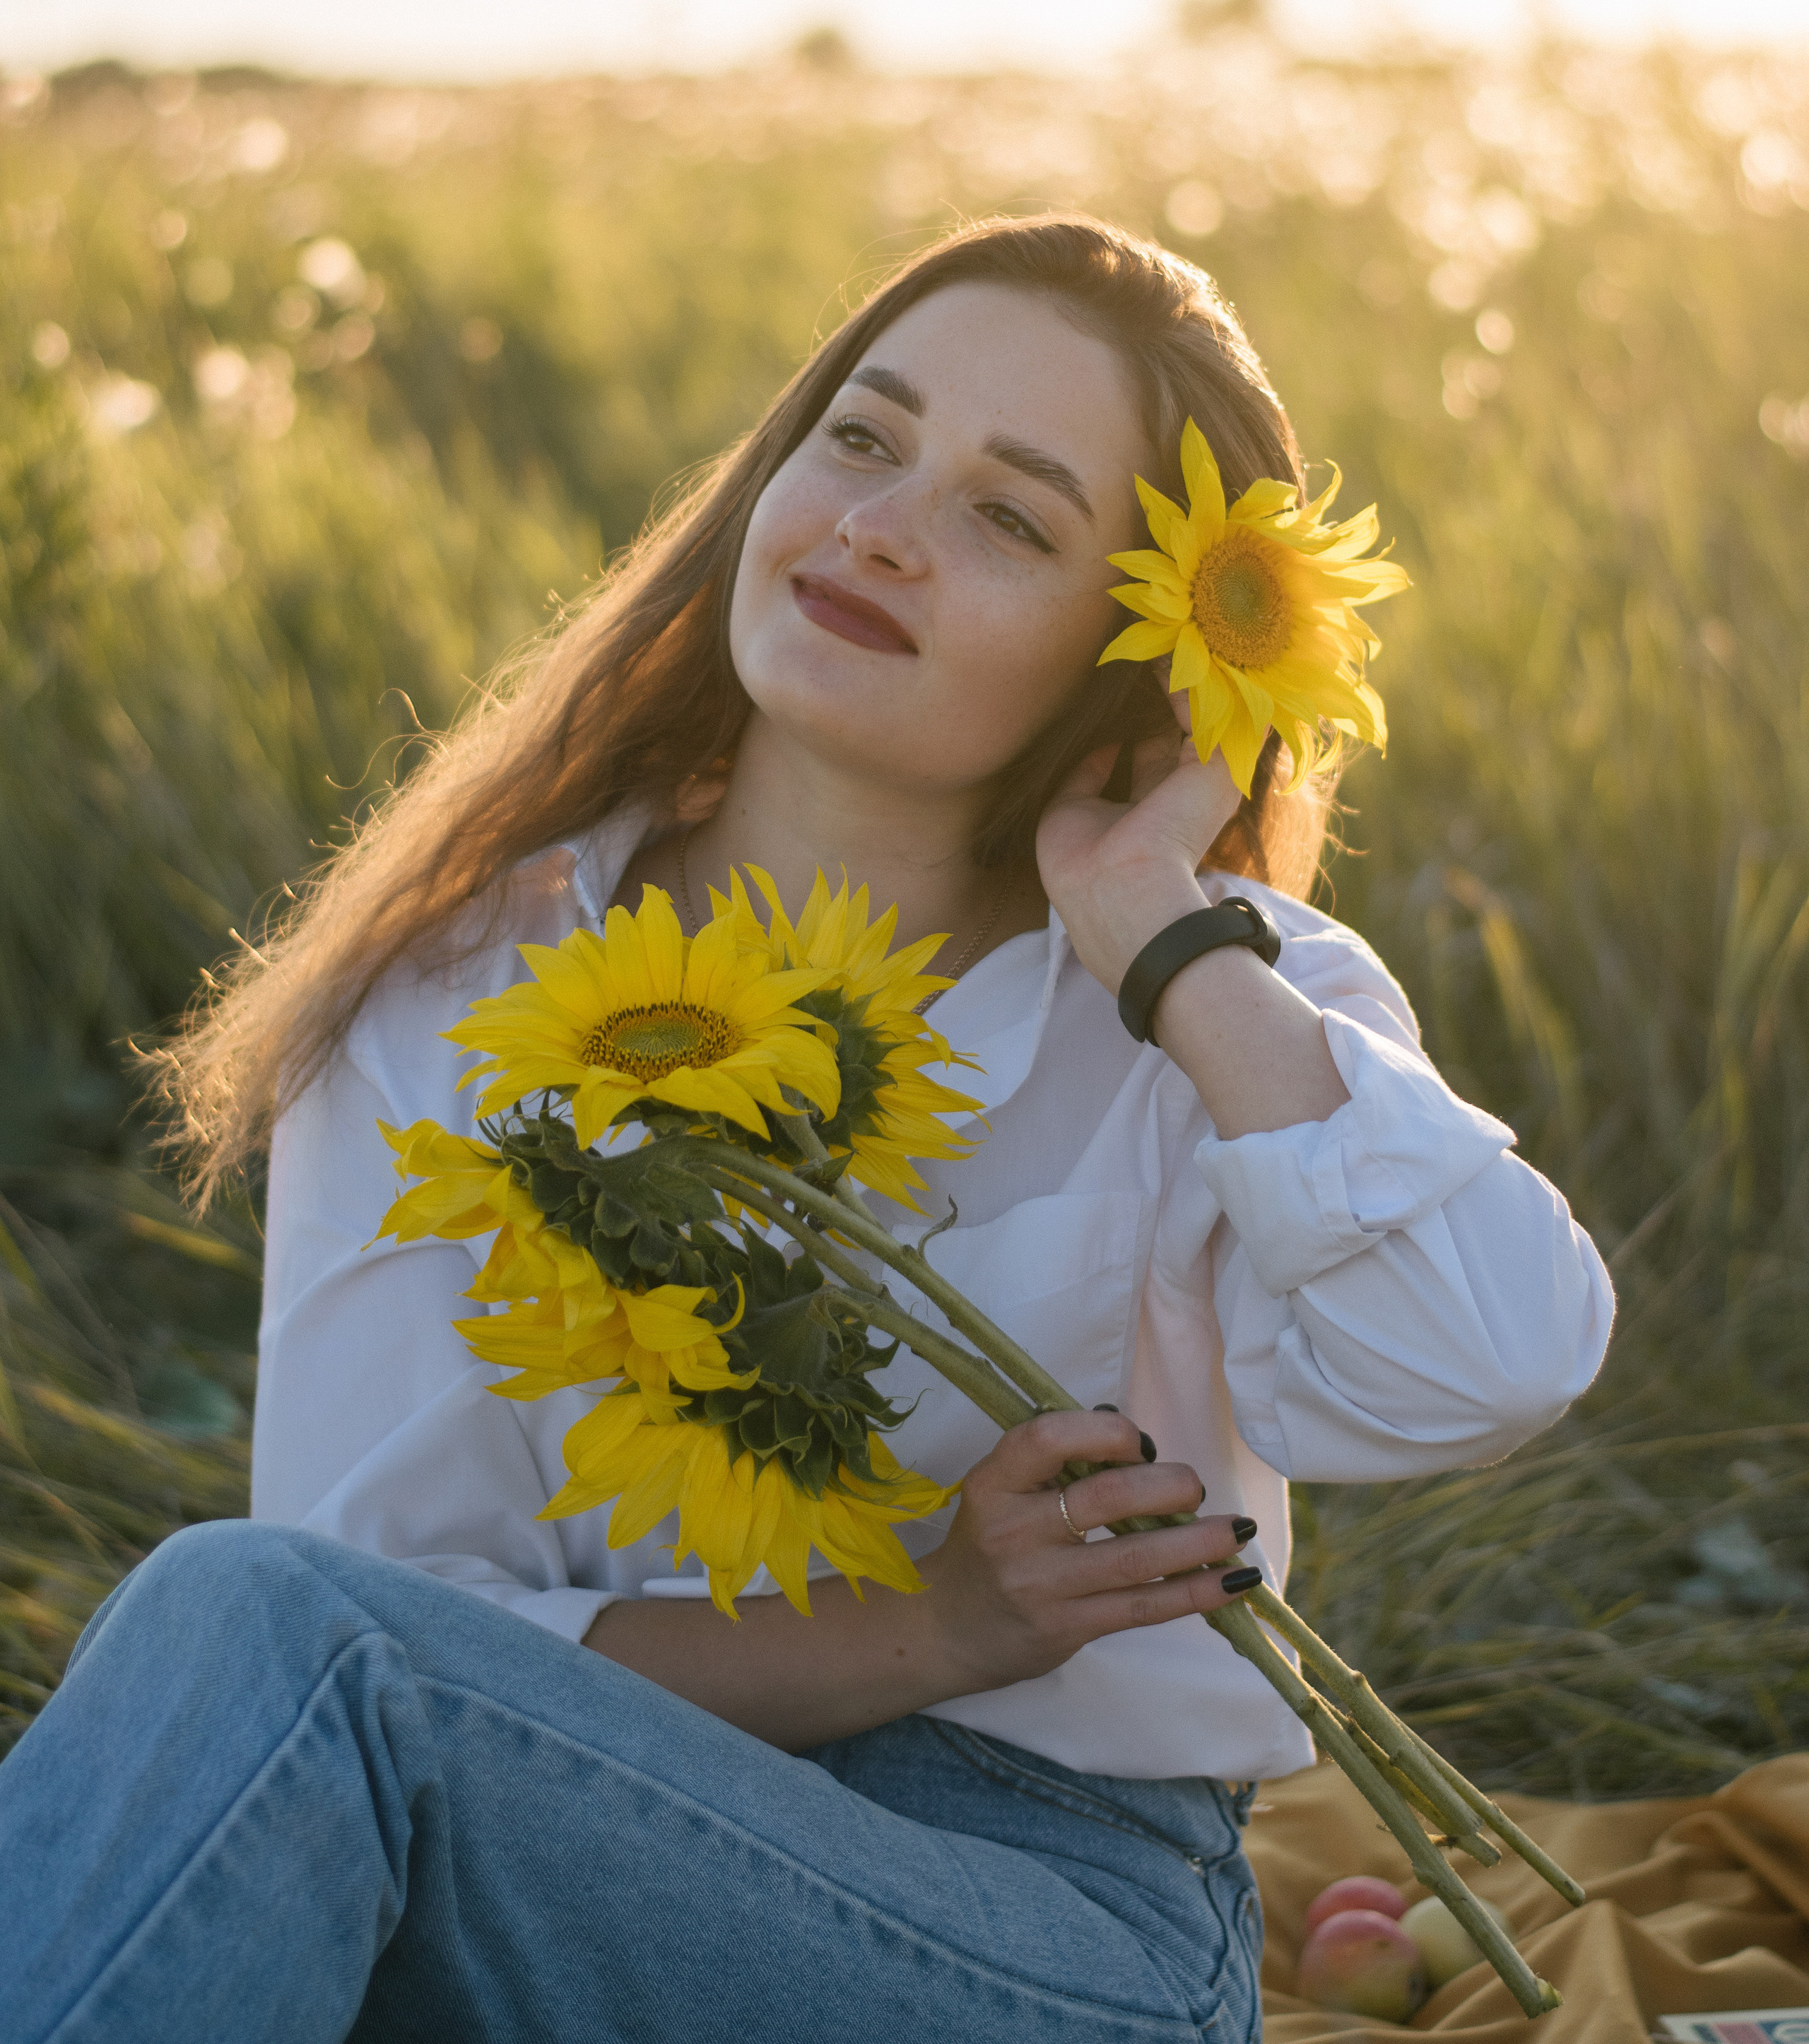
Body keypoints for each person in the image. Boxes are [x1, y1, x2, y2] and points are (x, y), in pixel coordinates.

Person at [0, 216, 1613, 2044]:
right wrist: (928, 1623)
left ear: (1131, 650)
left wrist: (1164, 941)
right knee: (272, 1666)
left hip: (1048, 1922)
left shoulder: (1211, 995)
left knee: (267, 1653)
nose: (879, 524)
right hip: (546, 1827)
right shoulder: (459, 980)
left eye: (1011, 517)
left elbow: (1486, 1364)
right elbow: (399, 1598)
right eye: (862, 437)